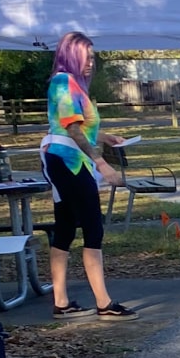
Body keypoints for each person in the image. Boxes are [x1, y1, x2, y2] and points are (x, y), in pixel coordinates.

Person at [41, 31, 135, 318]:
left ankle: (61, 302)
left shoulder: (72, 85)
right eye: (86, 57)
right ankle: (104, 303)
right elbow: (71, 128)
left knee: (66, 227)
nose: (91, 63)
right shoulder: (64, 81)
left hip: (67, 159)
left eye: (93, 58)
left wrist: (104, 136)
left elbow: (76, 126)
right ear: (72, 56)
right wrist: (103, 164)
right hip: (68, 160)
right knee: (93, 227)